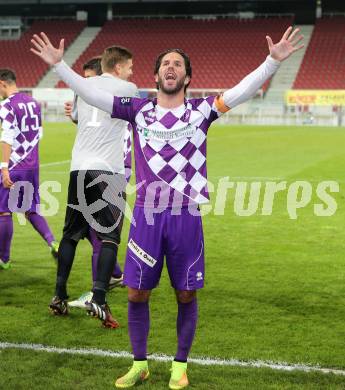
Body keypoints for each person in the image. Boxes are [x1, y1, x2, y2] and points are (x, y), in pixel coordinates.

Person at [31, 26, 304, 388]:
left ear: (187, 77)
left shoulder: (201, 111)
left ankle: (179, 365)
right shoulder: (138, 110)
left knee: (185, 292)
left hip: (185, 215)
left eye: (177, 64)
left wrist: (272, 62)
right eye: (165, 64)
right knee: (135, 292)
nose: (171, 68)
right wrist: (61, 67)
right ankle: (139, 363)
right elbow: (92, 96)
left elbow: (241, 91)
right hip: (146, 215)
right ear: (156, 75)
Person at [36, 44, 139, 329]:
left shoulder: (83, 87)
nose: (132, 72)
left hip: (79, 167)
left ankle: (58, 295)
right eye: (129, 66)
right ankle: (100, 298)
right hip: (108, 170)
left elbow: (80, 118)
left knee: (70, 235)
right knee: (109, 237)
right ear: (117, 67)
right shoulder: (128, 88)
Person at [65, 56, 132, 309]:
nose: (86, 86)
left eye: (89, 79)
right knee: (100, 232)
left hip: (112, 167)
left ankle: (97, 292)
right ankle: (113, 276)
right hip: (112, 166)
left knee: (101, 234)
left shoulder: (112, 93)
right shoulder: (118, 95)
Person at [0, 68, 59, 270]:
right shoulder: (33, 103)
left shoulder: (6, 105)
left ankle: (4, 259)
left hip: (15, 164)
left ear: (2, 84)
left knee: (3, 211)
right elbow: (39, 134)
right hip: (32, 165)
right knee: (29, 208)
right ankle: (52, 242)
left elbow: (7, 138)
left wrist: (5, 168)